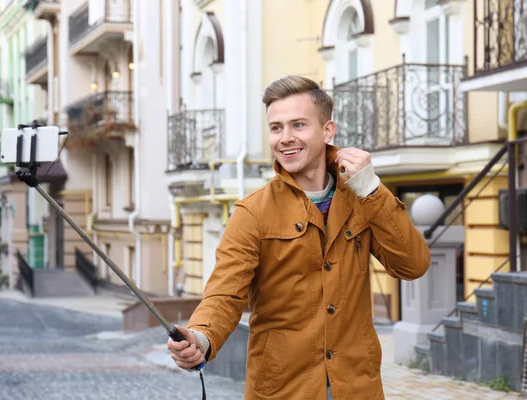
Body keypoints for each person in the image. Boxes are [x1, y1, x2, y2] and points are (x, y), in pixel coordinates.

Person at [167, 75, 431, 399]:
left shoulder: (363, 199)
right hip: (282, 391)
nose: (285, 138)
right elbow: (224, 295)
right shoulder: (252, 213)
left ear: (327, 131)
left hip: (358, 389)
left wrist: (372, 189)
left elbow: (413, 264)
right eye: (276, 128)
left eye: (298, 125)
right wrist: (202, 338)